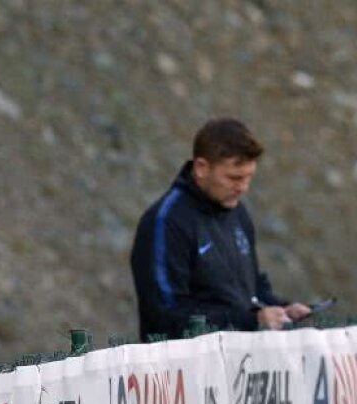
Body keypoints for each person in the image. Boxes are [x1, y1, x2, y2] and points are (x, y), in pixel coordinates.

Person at [130, 118, 311, 340]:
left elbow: (252, 291)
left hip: (239, 364)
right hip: (184, 369)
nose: (243, 188)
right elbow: (166, 315)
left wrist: (284, 309)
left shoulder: (237, 213)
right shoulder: (166, 223)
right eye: (234, 178)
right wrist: (251, 322)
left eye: (249, 177)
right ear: (201, 168)